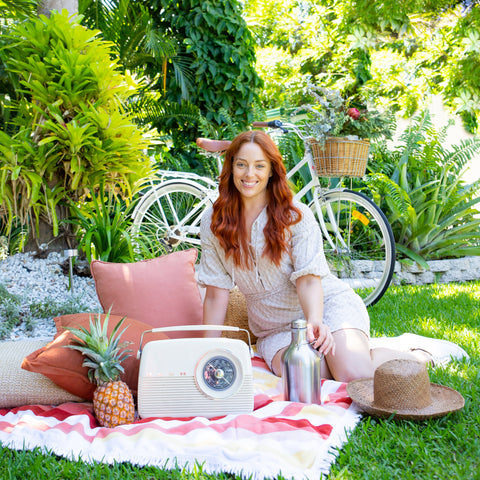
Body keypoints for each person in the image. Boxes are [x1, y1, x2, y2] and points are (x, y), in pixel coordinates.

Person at [197, 130, 468, 381]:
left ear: (271, 172)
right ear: (230, 167)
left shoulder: (294, 216)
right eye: (241, 164)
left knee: (352, 375)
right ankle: (359, 349)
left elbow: (308, 279)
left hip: (326, 308)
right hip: (275, 329)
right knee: (304, 375)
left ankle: (418, 353)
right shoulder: (214, 221)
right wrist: (206, 352)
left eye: (259, 165)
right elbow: (216, 292)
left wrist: (315, 320)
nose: (249, 174)